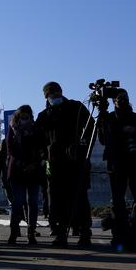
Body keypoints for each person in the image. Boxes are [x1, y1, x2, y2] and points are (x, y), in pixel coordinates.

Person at [36, 81, 93, 247]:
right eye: (52, 94)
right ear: (47, 96)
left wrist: (82, 146)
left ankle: (84, 231)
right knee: (56, 199)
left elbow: (91, 128)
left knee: (79, 197)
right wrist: (45, 153)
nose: (56, 95)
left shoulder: (76, 107)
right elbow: (38, 139)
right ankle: (60, 232)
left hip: (77, 161)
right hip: (55, 162)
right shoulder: (43, 116)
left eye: (57, 92)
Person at [100, 90, 136, 246]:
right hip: (117, 164)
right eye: (119, 99)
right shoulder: (109, 119)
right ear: (114, 102)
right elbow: (103, 140)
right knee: (118, 200)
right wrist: (102, 118)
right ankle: (120, 234)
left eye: (124, 99)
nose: (122, 102)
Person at [0, 105, 44, 245]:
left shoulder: (35, 128)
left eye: (27, 117)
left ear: (31, 116)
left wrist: (33, 163)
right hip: (17, 171)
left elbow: (41, 146)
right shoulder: (13, 128)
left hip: (33, 171)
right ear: (18, 117)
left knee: (33, 203)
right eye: (22, 117)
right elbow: (10, 148)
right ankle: (14, 232)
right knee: (17, 203)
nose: (25, 119)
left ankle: (31, 232)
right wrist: (23, 163)